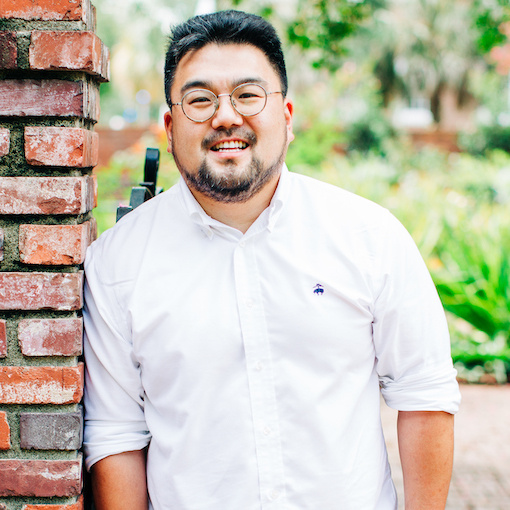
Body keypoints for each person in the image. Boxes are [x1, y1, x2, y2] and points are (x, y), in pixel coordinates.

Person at [83, 10, 461, 510]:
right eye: (200, 100)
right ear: (171, 126)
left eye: (247, 95)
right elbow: (115, 435)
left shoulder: (369, 237)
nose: (225, 116)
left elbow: (424, 394)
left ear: (285, 116)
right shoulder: (118, 262)